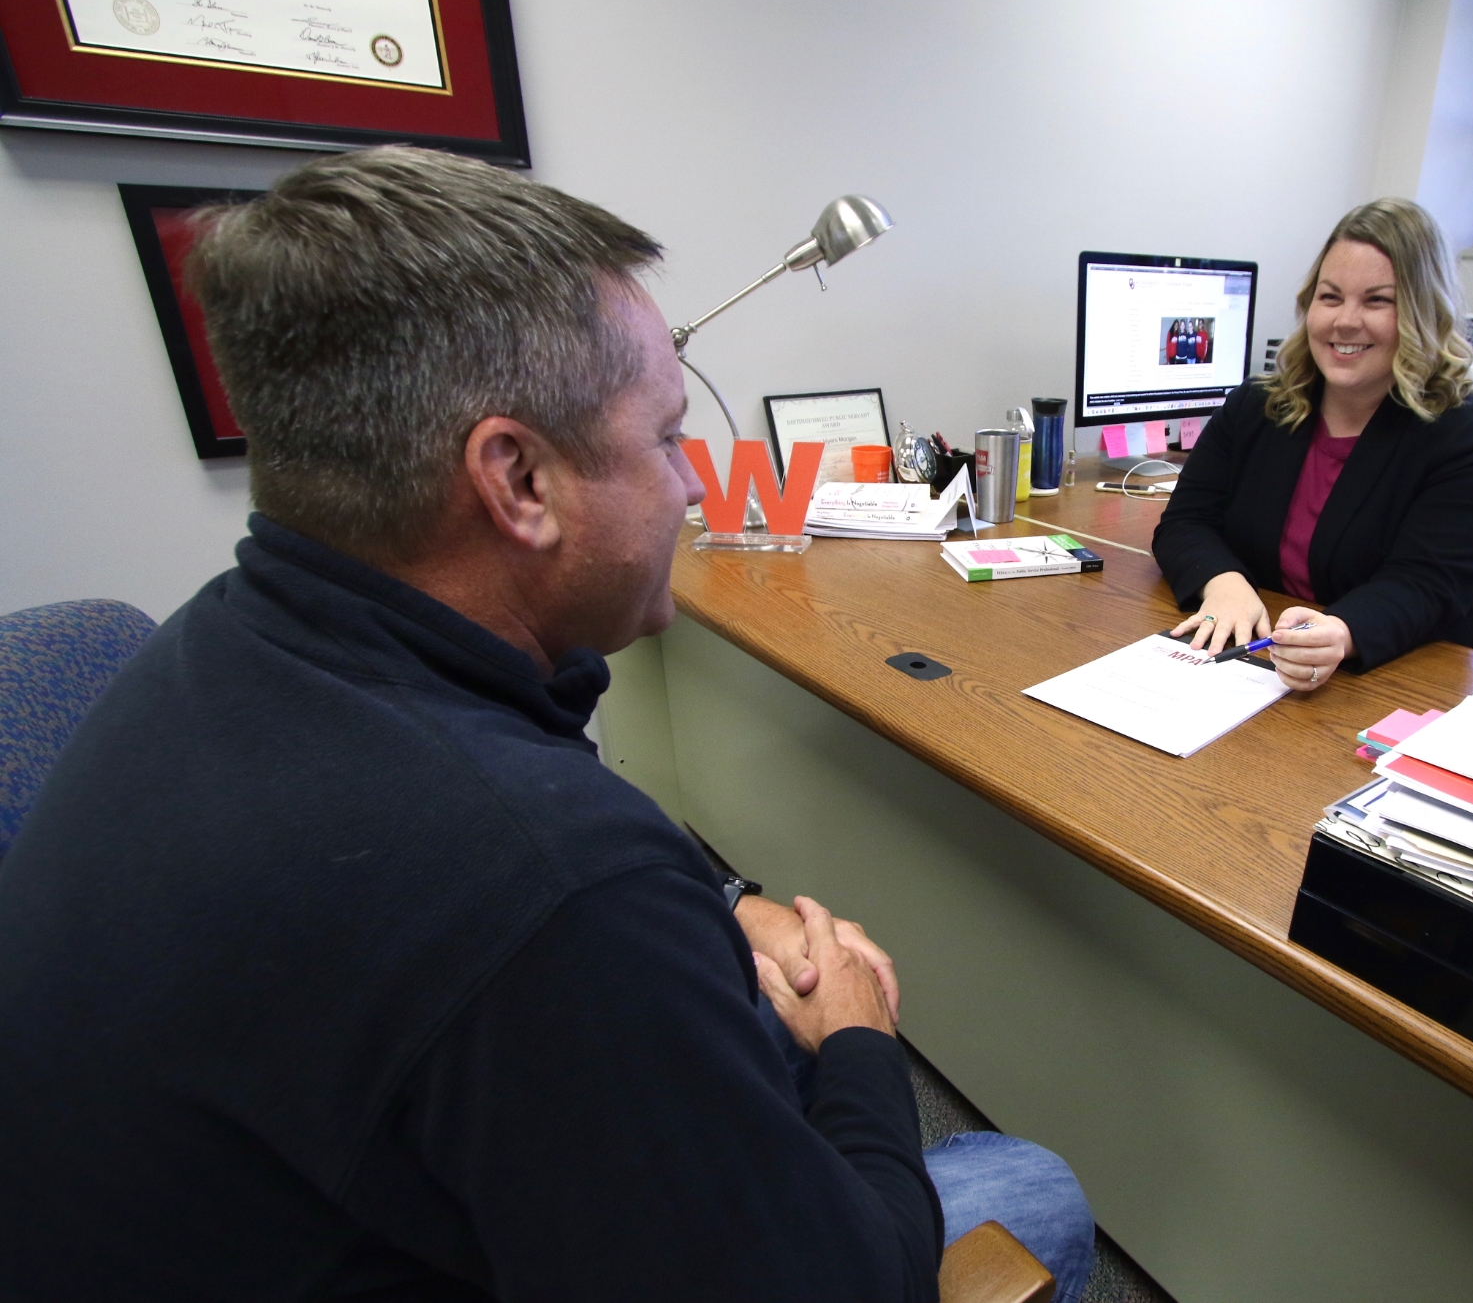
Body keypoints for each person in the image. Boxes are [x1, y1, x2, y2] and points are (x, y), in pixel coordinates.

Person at [0, 147, 1094, 1303]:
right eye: (666, 437)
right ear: (518, 480)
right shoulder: (550, 885)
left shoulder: (221, 641)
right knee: (1027, 1188)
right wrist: (864, 1045)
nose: (687, 487)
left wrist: (723, 910)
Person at [1152, 198, 1473, 685]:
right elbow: (1184, 522)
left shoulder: (1472, 436)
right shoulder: (1257, 405)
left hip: (1388, 678)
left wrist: (1343, 632)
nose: (1345, 321)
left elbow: (1428, 586)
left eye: (1376, 300)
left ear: (1423, 312)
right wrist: (1223, 583)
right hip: (1252, 661)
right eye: (1330, 297)